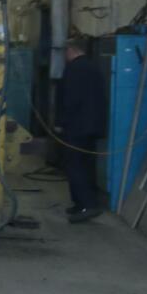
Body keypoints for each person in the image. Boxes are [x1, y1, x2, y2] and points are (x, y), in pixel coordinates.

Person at [56, 34, 108, 223]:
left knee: (75, 165)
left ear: (71, 50)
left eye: (65, 52)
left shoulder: (73, 69)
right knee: (87, 165)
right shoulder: (94, 67)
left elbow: (70, 99)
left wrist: (61, 122)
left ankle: (87, 205)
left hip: (76, 126)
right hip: (92, 127)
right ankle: (81, 203)